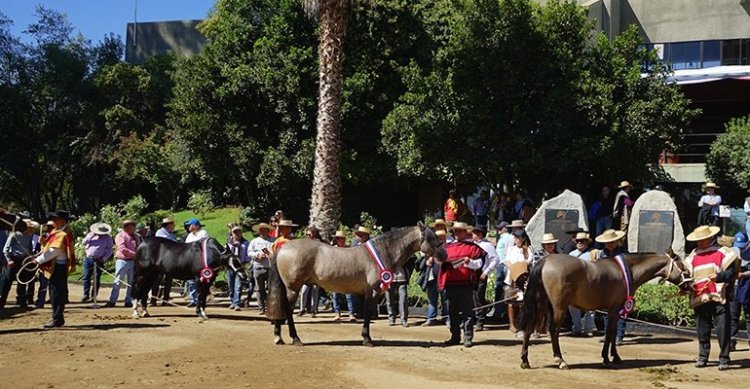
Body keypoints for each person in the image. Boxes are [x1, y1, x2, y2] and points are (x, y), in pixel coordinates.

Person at [683, 225, 737, 370]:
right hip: (701, 296)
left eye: (702, 240)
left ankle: (724, 358)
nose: (699, 243)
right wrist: (685, 288)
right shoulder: (693, 255)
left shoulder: (723, 252)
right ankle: (703, 356)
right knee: (702, 328)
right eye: (698, 240)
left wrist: (718, 277)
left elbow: (732, 274)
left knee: (722, 329)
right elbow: (688, 275)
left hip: (719, 296)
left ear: (709, 238)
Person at [437, 222, 484, 347]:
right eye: (456, 231)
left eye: (460, 231)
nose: (457, 233)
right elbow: (439, 261)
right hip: (451, 284)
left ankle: (468, 337)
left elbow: (480, 263)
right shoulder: (447, 247)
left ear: (465, 232)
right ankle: (455, 336)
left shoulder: (473, 247)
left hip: (465, 284)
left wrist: (469, 262)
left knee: (467, 312)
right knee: (452, 312)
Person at [32, 210, 76, 328]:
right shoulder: (60, 232)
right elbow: (49, 247)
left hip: (58, 267)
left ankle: (57, 318)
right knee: (56, 292)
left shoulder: (62, 234)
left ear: (62, 221)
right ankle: (57, 317)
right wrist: (43, 243)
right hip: (57, 266)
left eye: (56, 219)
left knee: (56, 293)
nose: (53, 222)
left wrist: (37, 260)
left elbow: (54, 251)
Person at [594, 229, 628, 346]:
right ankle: (608, 334)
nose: (610, 244)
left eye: (612, 242)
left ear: (617, 241)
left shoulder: (623, 254)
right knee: (605, 312)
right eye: (608, 242)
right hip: (606, 287)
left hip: (620, 287)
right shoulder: (603, 254)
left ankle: (619, 335)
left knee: (621, 311)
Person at [505, 229, 534, 337]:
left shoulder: (529, 249)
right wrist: (513, 268)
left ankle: (522, 324)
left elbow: (529, 262)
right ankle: (512, 324)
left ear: (523, 239)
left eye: (518, 238)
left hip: (524, 279)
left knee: (522, 303)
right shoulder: (511, 249)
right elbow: (507, 260)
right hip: (512, 278)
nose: (516, 240)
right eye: (515, 238)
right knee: (511, 302)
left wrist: (520, 267)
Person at [1, 219, 36, 309]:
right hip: (13, 259)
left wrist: (31, 258)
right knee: (7, 281)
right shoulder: (14, 235)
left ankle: (22, 302)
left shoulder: (29, 237)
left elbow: (30, 249)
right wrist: (9, 260)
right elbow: (6, 249)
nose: (32, 229)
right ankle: (2, 302)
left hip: (23, 261)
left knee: (22, 282)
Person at [471, 223, 500, 331]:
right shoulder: (472, 244)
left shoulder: (488, 246)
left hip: (481, 274)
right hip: (472, 274)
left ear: (479, 234)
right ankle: (473, 319)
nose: (472, 234)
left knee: (478, 297)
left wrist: (486, 272)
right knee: (472, 297)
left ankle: (480, 321)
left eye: (474, 233)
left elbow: (496, 259)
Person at [419, 229, 450, 326]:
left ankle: (447, 318)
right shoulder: (431, 249)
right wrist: (428, 261)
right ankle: (431, 318)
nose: (441, 239)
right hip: (432, 277)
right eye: (439, 238)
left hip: (444, 277)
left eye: (442, 237)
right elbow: (423, 262)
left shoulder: (448, 248)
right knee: (432, 298)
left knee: (445, 298)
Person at [105, 220, 138, 308]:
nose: (133, 228)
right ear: (126, 227)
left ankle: (128, 300)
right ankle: (112, 300)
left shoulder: (135, 236)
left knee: (131, 282)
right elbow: (122, 248)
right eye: (131, 226)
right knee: (118, 281)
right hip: (122, 260)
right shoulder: (120, 235)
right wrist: (135, 254)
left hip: (133, 261)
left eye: (133, 226)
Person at [568, 232, 595, 337]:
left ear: (587, 242)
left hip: (589, 284)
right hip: (575, 285)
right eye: (577, 241)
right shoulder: (571, 255)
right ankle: (577, 327)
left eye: (582, 241)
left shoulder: (593, 254)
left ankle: (589, 328)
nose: (579, 243)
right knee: (573, 307)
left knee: (591, 307)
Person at [80, 222, 113, 303]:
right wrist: (90, 236)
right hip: (89, 259)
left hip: (99, 260)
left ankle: (93, 296)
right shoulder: (90, 235)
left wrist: (104, 258)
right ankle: (85, 295)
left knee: (96, 278)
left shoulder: (108, 238)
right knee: (86, 277)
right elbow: (83, 242)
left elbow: (110, 250)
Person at [248, 222, 275, 313]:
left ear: (268, 231)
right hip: (258, 267)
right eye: (261, 230)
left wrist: (269, 254)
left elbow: (277, 252)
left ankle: (270, 307)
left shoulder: (273, 241)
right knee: (259, 288)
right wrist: (257, 255)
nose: (262, 231)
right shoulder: (254, 241)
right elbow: (249, 253)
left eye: (264, 230)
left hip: (270, 267)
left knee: (271, 288)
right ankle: (261, 307)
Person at [730, 231, 750, 351]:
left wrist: (745, 274)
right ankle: (731, 341)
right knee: (733, 316)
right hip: (735, 287)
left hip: (748, 287)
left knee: (749, 315)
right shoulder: (732, 252)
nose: (740, 249)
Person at [183, 218, 209, 307]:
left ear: (195, 225)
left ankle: (200, 299)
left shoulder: (203, 233)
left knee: (200, 280)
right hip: (190, 260)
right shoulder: (190, 235)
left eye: (190, 225)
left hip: (200, 261)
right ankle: (193, 299)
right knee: (191, 281)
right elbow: (186, 246)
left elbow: (202, 245)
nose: (188, 227)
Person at [331, 230, 356, 322]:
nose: (341, 240)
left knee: (349, 296)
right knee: (335, 295)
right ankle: (337, 313)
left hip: (346, 275)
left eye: (343, 239)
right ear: (337, 240)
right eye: (339, 239)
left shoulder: (348, 249)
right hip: (336, 274)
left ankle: (351, 313)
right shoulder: (333, 249)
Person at [151, 217, 176, 306]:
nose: (174, 225)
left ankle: (165, 299)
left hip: (170, 260)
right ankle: (153, 299)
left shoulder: (172, 234)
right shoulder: (160, 233)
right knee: (157, 280)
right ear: (169, 224)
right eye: (173, 224)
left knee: (168, 280)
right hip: (160, 260)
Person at [386, 254, 416, 327]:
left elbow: (413, 258)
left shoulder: (404, 250)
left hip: (402, 278)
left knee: (403, 300)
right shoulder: (386, 249)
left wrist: (408, 273)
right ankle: (391, 318)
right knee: (389, 299)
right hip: (388, 278)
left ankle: (404, 320)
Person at [299, 226, 322, 317]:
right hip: (307, 271)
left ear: (314, 234)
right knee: (304, 291)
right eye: (306, 234)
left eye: (309, 234)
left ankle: (313, 309)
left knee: (315, 291)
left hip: (316, 270)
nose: (308, 236)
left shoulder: (318, 243)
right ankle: (302, 308)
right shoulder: (304, 243)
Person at [491, 221, 512, 321]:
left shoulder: (508, 238)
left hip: (503, 265)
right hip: (502, 264)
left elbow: (507, 252)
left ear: (505, 229)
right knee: (499, 288)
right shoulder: (504, 238)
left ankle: (499, 312)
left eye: (500, 229)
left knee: (500, 288)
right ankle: (499, 311)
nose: (498, 231)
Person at [226, 226, 249, 311]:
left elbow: (248, 254)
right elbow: (226, 254)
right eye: (235, 232)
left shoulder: (245, 243)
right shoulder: (229, 242)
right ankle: (232, 301)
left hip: (240, 266)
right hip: (231, 266)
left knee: (238, 285)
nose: (237, 234)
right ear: (232, 233)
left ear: (241, 233)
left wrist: (245, 261)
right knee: (231, 285)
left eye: (238, 232)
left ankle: (236, 303)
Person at [34, 220, 55, 308]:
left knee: (51, 284)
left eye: (50, 227)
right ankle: (40, 301)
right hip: (44, 261)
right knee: (43, 284)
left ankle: (53, 300)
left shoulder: (55, 237)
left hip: (52, 262)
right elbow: (38, 249)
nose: (48, 228)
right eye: (48, 227)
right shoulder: (43, 237)